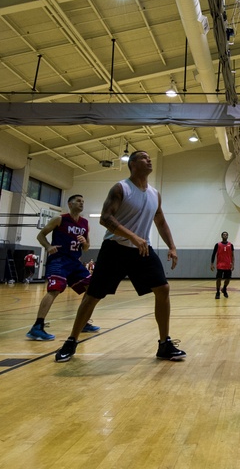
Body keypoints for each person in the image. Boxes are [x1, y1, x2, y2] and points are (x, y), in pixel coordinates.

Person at [55, 150, 185, 363]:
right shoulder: (121, 188)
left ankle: (164, 344)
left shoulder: (154, 194)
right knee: (93, 295)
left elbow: (160, 221)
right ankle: (71, 341)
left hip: (142, 249)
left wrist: (172, 246)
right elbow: (105, 219)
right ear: (133, 164)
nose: (149, 159)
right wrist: (133, 237)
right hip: (115, 248)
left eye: (149, 157)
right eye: (144, 157)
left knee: (163, 288)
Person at [26, 194, 98, 341]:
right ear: (70, 204)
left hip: (74, 261)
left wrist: (84, 242)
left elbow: (86, 247)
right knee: (55, 289)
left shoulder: (85, 223)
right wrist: (48, 246)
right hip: (59, 259)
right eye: (78, 201)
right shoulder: (60, 219)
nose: (81, 203)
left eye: (83, 201)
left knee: (93, 288)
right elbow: (41, 236)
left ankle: (83, 322)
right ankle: (37, 327)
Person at [211, 231, 234, 299]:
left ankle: (224, 288)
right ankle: (218, 292)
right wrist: (212, 263)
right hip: (220, 265)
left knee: (228, 279)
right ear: (221, 236)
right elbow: (213, 254)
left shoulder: (231, 245)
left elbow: (232, 255)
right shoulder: (217, 244)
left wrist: (233, 264)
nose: (225, 236)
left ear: (227, 236)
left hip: (228, 265)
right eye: (223, 235)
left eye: (226, 235)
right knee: (219, 279)